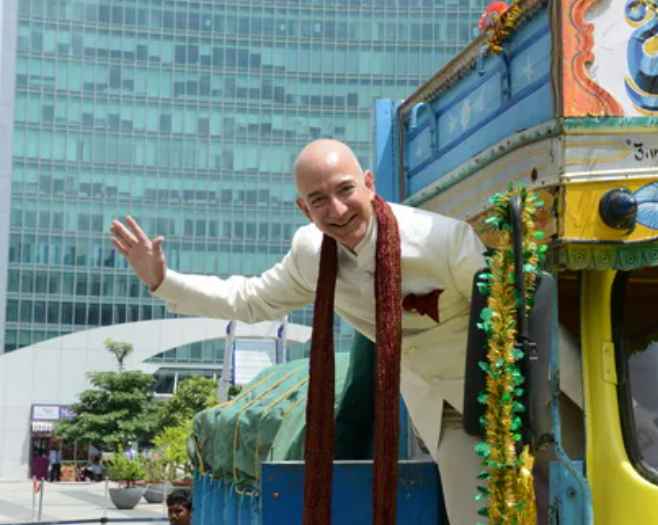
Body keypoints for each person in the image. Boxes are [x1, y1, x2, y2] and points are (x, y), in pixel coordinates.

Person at [109, 139, 544, 523]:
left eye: (345, 190)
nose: (337, 210)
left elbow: (514, 310)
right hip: (445, 411)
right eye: (319, 200)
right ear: (304, 208)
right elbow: (249, 299)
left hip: (523, 388)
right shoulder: (310, 254)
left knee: (567, 498)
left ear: (369, 185)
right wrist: (162, 281)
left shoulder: (440, 239)